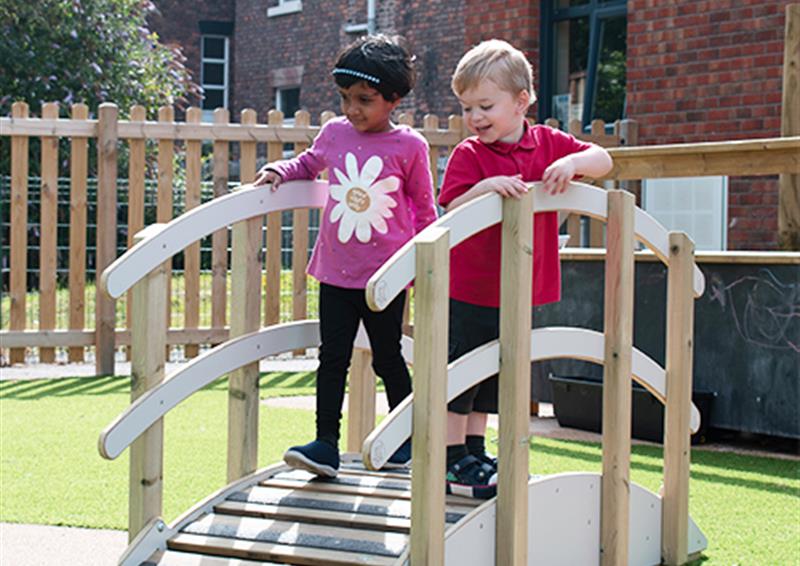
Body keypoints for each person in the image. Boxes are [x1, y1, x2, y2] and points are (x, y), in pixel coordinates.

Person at [253, 34, 437, 478]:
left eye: (365, 99)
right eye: (345, 98)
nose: (352, 108)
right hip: (336, 273)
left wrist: (425, 266)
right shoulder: (335, 133)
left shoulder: (410, 147)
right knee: (332, 357)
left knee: (389, 357)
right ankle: (325, 445)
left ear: (393, 99)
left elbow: (425, 209)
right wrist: (280, 169)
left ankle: (405, 441)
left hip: (385, 278)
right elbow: (310, 163)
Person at [439, 39, 613, 498]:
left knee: (495, 374)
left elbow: (605, 159)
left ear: (521, 103)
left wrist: (572, 163)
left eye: (485, 105)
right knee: (461, 372)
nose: (474, 118)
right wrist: (486, 187)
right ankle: (451, 458)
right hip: (471, 285)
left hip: (518, 286)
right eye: (467, 107)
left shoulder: (548, 144)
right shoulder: (470, 155)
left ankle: (473, 451)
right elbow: (452, 206)